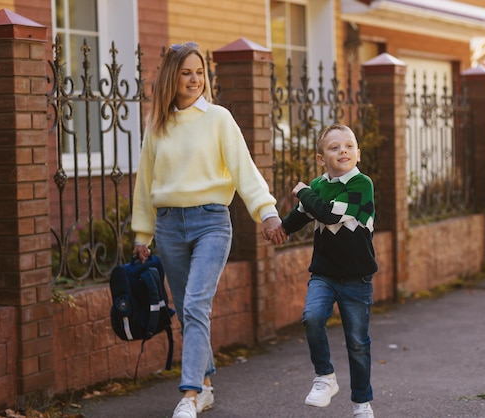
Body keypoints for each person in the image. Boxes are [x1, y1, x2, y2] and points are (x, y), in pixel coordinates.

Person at [131, 41, 286, 418]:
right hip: (168, 226)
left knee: (197, 304)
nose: (195, 79)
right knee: (188, 310)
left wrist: (266, 211)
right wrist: (142, 234)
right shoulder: (158, 125)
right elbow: (144, 182)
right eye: (187, 72)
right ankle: (207, 386)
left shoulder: (219, 118)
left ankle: (189, 395)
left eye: (199, 72)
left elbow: (244, 169)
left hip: (211, 223)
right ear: (172, 76)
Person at [276, 123, 377, 417]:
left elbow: (328, 214)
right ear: (322, 158)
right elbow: (301, 215)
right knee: (311, 317)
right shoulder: (319, 187)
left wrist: (302, 192)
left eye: (348, 146)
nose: (342, 151)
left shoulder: (361, 184)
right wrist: (280, 228)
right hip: (324, 274)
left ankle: (361, 403)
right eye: (334, 147)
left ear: (358, 152)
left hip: (357, 278)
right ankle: (325, 377)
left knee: (357, 342)